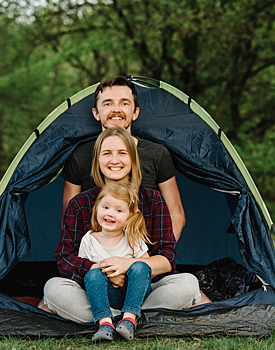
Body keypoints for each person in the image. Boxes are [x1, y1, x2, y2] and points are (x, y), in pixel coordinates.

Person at [40, 127, 202, 326]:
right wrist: (103, 270)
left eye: (122, 153)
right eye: (107, 153)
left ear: (133, 160)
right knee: (53, 288)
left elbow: (168, 258)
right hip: (95, 290)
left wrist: (127, 266)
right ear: (97, 161)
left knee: (188, 284)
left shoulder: (153, 200)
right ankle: (123, 319)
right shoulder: (80, 204)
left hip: (143, 292)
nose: (114, 160)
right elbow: (65, 257)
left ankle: (122, 317)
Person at [61, 76, 186, 240]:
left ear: (135, 113)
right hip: (97, 258)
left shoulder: (157, 154)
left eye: (124, 103)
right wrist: (87, 260)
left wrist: (157, 257)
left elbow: (176, 214)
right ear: (96, 113)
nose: (116, 109)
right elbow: (68, 217)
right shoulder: (79, 156)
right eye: (108, 103)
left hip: (145, 256)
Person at [81, 183, 152, 342]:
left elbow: (147, 269)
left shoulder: (132, 238)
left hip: (133, 291)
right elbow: (86, 274)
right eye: (105, 207)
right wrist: (107, 275)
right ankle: (105, 324)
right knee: (93, 273)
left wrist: (127, 269)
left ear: (129, 215)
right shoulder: (89, 239)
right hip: (107, 294)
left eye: (119, 210)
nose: (110, 214)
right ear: (97, 207)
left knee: (140, 265)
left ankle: (129, 320)